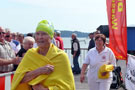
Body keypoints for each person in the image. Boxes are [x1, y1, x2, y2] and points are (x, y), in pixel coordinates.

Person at [11, 20, 75, 90]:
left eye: (44, 34)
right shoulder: (30, 54)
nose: (40, 37)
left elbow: (68, 86)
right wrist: (38, 71)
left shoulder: (61, 56)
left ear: (51, 36)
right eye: (37, 34)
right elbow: (19, 79)